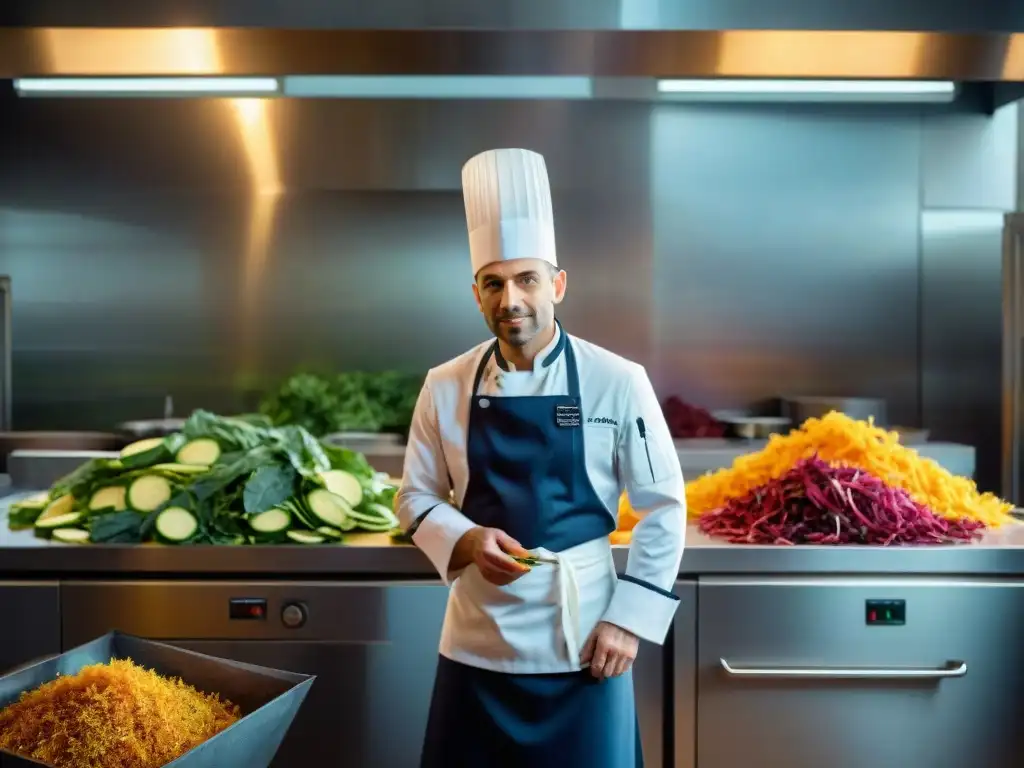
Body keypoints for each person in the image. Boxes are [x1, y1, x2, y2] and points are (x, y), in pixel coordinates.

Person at [396, 147, 686, 768]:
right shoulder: (444, 384)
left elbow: (664, 507)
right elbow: (413, 496)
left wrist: (628, 620)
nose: (512, 300)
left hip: (586, 639)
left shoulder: (617, 379)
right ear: (476, 294)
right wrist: (468, 540)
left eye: (527, 279)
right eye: (494, 284)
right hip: (478, 641)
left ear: (557, 284)